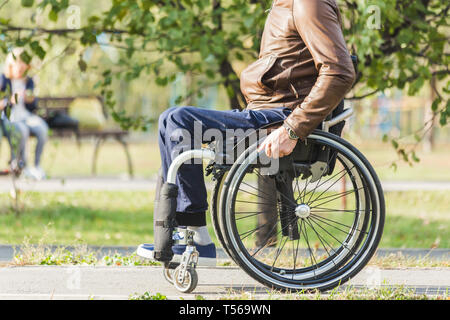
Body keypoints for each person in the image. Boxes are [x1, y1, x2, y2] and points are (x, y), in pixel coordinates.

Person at [137, 0, 356, 262]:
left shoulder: (308, 3)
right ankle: (188, 235)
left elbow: (340, 72)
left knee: (179, 120)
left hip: (281, 118)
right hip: (266, 112)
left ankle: (194, 236)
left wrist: (292, 130)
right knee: (170, 122)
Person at [0, 48, 48, 180]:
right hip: (10, 117)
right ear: (11, 64)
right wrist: (10, 101)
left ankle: (37, 166)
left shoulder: (29, 81)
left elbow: (32, 106)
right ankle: (21, 166)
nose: (22, 66)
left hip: (25, 115)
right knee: (22, 130)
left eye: (24, 63)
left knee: (42, 129)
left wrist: (31, 100)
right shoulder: (3, 80)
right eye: (19, 62)